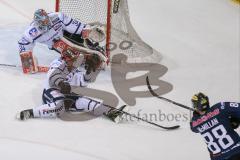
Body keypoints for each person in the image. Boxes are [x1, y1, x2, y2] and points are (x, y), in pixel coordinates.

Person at [17, 47, 126, 122]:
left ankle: (110, 112)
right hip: (51, 92)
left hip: (68, 94)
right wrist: (62, 84)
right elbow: (53, 78)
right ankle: (31, 112)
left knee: (85, 102)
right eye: (71, 59)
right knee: (60, 107)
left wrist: (89, 73)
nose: (74, 61)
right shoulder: (57, 64)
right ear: (64, 59)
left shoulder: (75, 66)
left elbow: (82, 83)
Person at [18, 9, 106, 74]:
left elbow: (74, 25)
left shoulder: (58, 17)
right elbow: (23, 44)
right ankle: (87, 59)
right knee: (72, 57)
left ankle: (95, 49)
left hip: (65, 33)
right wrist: (27, 62)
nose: (46, 24)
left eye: (46, 21)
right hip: (55, 44)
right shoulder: (32, 32)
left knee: (80, 38)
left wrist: (85, 30)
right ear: (37, 23)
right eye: (42, 22)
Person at [190, 92, 240, 160]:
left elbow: (193, 128)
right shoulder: (220, 107)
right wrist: (236, 119)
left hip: (218, 157)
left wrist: (196, 115)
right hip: (236, 151)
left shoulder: (195, 123)